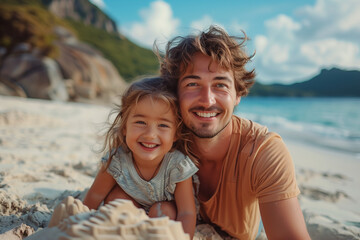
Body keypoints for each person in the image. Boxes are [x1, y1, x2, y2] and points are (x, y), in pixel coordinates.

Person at [156, 25, 311, 239]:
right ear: (176, 93)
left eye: (220, 85)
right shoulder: (159, 137)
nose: (207, 100)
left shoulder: (263, 151)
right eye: (192, 84)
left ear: (238, 94)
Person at [83, 77, 198, 239]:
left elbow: (186, 212)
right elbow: (94, 197)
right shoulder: (117, 160)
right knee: (116, 200)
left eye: (163, 125)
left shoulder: (177, 165)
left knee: (163, 210)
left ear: (176, 134)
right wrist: (77, 227)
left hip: (163, 213)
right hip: (131, 210)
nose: (150, 135)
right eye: (140, 122)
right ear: (124, 127)